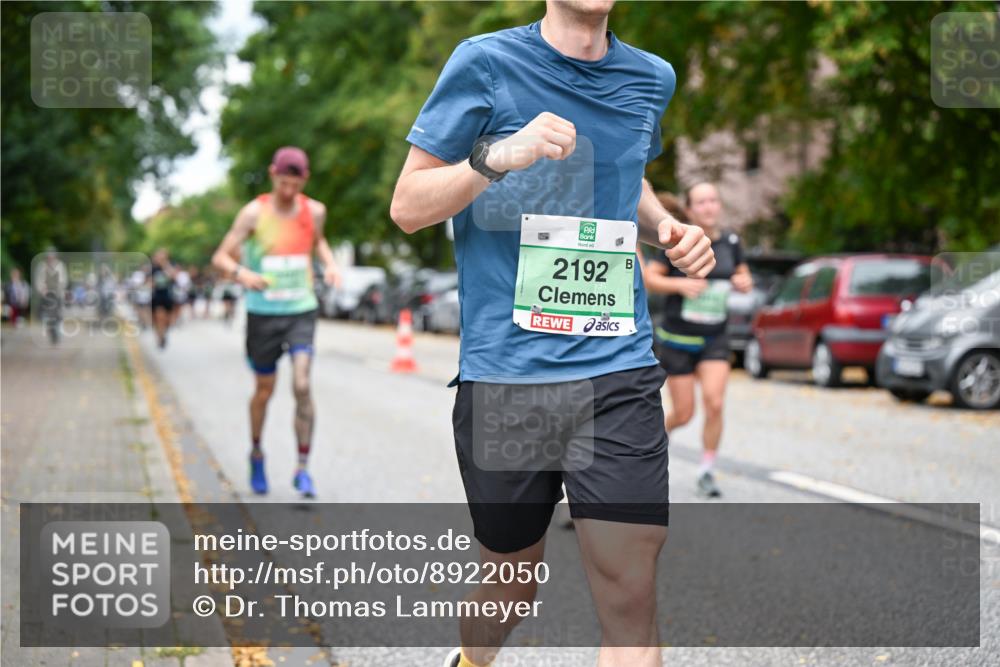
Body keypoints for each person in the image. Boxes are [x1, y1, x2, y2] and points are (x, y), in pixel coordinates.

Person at [389, 3, 714, 666]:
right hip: (508, 375)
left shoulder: (651, 78)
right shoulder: (485, 63)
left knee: (630, 588)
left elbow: (624, 176)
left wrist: (668, 230)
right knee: (511, 580)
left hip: (617, 370)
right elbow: (407, 206)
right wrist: (497, 156)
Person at [212, 146, 341, 499]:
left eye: (295, 185)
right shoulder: (253, 213)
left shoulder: (314, 211)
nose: (288, 191)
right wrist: (242, 273)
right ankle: (256, 453)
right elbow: (220, 257)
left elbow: (319, 242)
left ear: (305, 181)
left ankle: (302, 469)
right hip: (263, 314)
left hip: (301, 308)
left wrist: (329, 264)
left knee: (301, 385)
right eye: (283, 183)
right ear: (273, 174)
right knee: (264, 390)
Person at [642, 182, 752, 499]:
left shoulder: (731, 241)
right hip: (678, 337)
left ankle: (706, 470)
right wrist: (681, 287)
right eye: (701, 202)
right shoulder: (680, 238)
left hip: (715, 336)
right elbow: (651, 278)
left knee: (715, 404)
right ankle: (650, 444)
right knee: (684, 412)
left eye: (713, 200)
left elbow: (743, 275)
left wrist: (744, 282)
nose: (709, 207)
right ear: (689, 209)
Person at [33, 248, 68, 345]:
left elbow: (63, 280)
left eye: (52, 257)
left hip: (57, 296)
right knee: (47, 317)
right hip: (46, 296)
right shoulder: (42, 266)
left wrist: (58, 288)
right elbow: (38, 281)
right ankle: (51, 332)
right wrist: (42, 289)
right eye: (48, 257)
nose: (50, 259)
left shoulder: (60, 266)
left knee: (58, 316)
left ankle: (57, 334)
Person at [150, 248, 178, 349]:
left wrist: (165, 266)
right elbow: (149, 282)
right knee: (159, 317)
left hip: (168, 295)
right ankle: (160, 337)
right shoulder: (153, 268)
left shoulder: (171, 265)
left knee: (168, 320)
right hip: (157, 296)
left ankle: (164, 333)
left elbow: (174, 277)